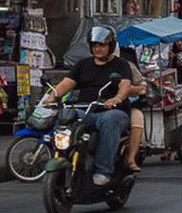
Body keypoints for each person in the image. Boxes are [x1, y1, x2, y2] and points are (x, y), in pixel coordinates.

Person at [44, 26, 133, 186]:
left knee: (109, 121)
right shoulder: (82, 64)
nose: (98, 49)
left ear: (110, 46)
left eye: (102, 45)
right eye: (95, 45)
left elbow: (125, 86)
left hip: (113, 112)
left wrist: (116, 99)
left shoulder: (121, 65)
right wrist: (52, 96)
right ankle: (63, 157)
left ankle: (103, 170)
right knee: (63, 118)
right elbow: (67, 83)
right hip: (85, 111)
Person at [119, 46, 149, 172]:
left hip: (125, 106)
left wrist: (128, 90)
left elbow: (143, 86)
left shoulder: (127, 66)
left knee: (137, 118)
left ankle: (131, 158)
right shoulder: (88, 64)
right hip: (99, 107)